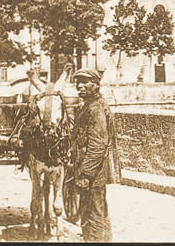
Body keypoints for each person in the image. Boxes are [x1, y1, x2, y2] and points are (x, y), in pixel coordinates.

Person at [72, 68, 117, 242]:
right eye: (78, 82)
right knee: (97, 209)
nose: (80, 86)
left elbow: (98, 145)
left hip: (93, 172)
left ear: (96, 85)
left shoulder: (96, 108)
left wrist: (85, 174)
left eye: (85, 82)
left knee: (93, 212)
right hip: (92, 170)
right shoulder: (91, 105)